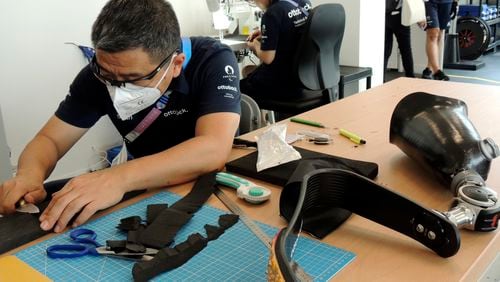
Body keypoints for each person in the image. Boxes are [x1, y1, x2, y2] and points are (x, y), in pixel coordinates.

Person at [0, 0, 241, 233]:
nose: (116, 88)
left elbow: (213, 148)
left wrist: (117, 178)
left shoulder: (212, 59)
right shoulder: (96, 76)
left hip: (211, 185)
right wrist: (29, 175)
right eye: (107, 75)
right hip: (145, 184)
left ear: (176, 64)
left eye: (133, 79)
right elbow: (50, 140)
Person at [240, 0, 312, 99]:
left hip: (280, 83)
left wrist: (254, 45)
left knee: (234, 90)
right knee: (248, 71)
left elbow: (267, 58)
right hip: (304, 79)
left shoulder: (272, 13)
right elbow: (295, 29)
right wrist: (267, 32)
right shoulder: (303, 3)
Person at [419, 0, 458, 80]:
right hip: (429, 2)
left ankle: (429, 68)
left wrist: (456, 2)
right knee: (433, 34)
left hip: (447, 2)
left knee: (439, 33)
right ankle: (437, 71)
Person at [384, 0, 415, 79]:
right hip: (399, 14)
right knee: (405, 49)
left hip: (384, 12)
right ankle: (410, 77)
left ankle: (380, 78)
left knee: (385, 50)